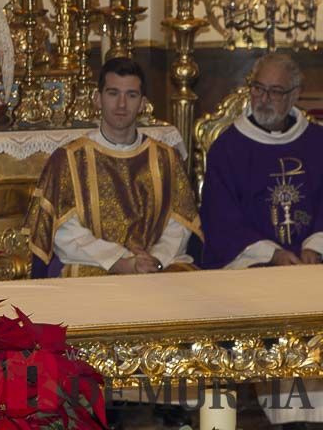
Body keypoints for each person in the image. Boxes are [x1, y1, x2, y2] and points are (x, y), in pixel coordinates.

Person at [201, 52, 322, 426]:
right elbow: (220, 218)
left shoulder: (318, 142)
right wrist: (273, 254)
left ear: (295, 95)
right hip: (253, 268)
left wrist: (314, 248)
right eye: (257, 88)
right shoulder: (228, 147)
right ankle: (290, 418)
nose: (264, 98)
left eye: (274, 91)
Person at [26, 57, 201, 277]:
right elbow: (63, 232)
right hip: (94, 265)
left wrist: (154, 259)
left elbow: (180, 224)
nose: (121, 104)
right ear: (97, 99)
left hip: (158, 265)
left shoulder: (166, 158)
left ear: (143, 103)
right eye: (113, 93)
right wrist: (121, 261)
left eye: (131, 95)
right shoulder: (69, 159)